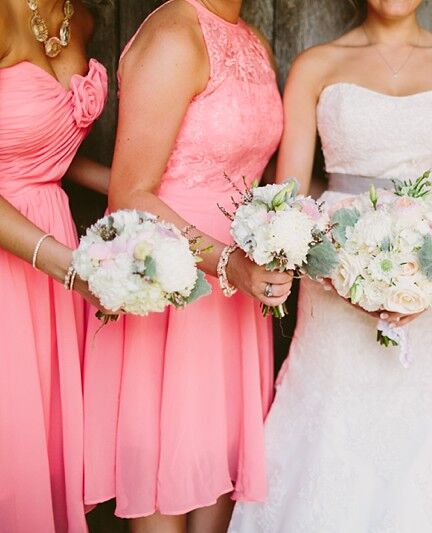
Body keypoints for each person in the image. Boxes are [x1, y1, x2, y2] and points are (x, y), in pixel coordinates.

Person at [228, 1, 432, 531]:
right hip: (334, 288)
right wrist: (340, 272)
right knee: (334, 430)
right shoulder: (317, 65)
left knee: (422, 435)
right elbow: (288, 200)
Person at [81, 1, 291, 531]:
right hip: (176, 284)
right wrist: (227, 265)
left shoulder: (250, 38)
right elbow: (131, 195)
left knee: (216, 489)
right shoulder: (175, 35)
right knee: (165, 485)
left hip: (235, 300)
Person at [0, 1, 109, 531]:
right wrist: (65, 265)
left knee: (43, 444)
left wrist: (137, 188)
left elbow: (43, 155)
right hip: (15, 259)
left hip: (56, 252)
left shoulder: (82, 17)